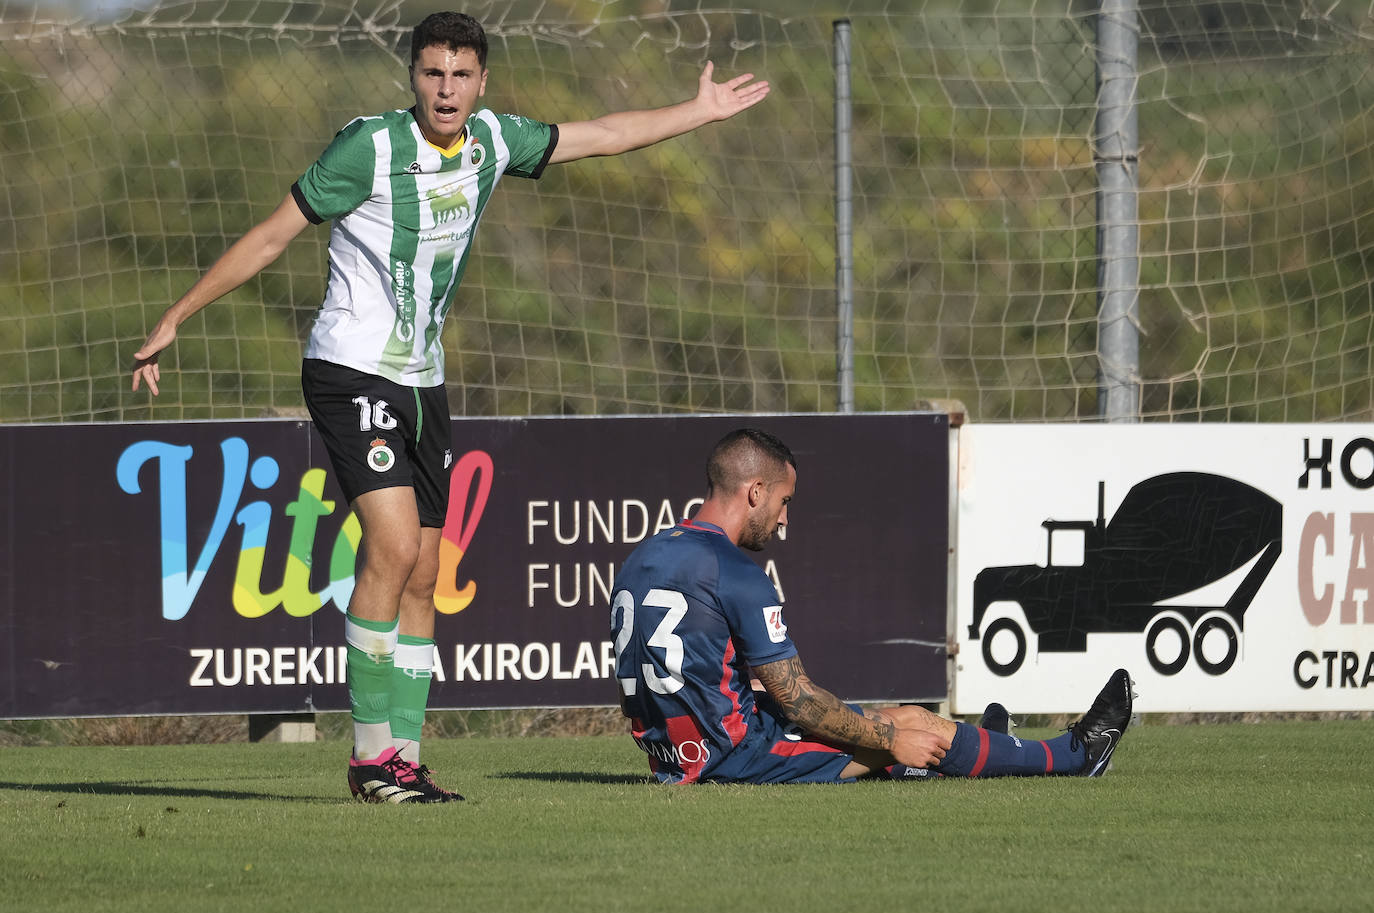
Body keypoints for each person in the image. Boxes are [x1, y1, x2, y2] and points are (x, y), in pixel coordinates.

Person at [131, 12, 771, 803]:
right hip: (349, 370)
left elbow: (601, 133)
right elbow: (271, 236)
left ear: (482, 82)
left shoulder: (493, 142)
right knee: (393, 547)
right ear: (412, 75)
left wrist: (697, 112)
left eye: (460, 74)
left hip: (422, 382)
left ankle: (403, 757)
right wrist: (176, 316)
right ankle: (370, 763)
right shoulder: (366, 148)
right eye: (432, 72)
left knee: (426, 572)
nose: (446, 88)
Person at [609, 428, 1134, 784]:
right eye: (784, 502)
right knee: (914, 731)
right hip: (737, 758)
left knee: (902, 717)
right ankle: (1074, 755)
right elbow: (802, 705)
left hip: (675, 756)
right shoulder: (738, 572)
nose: (785, 520)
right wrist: (890, 742)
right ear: (755, 491)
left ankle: (983, 750)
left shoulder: (643, 557)